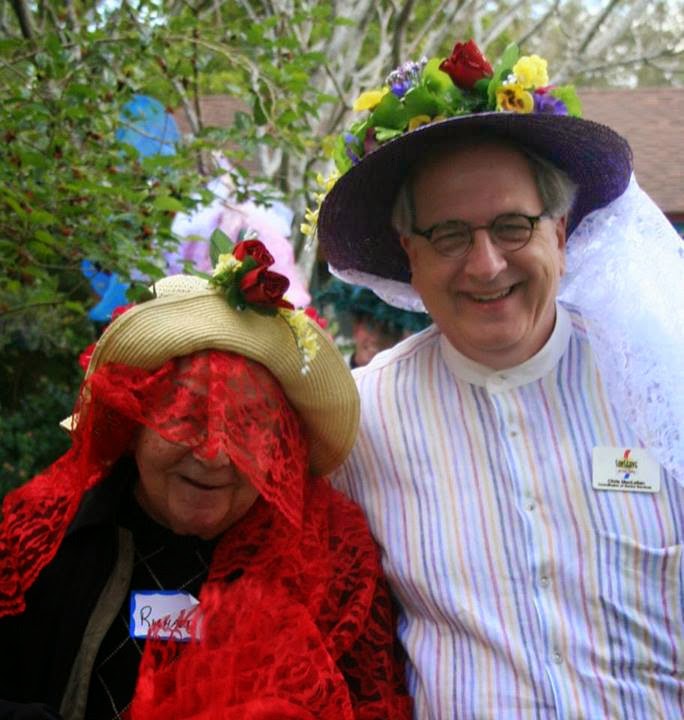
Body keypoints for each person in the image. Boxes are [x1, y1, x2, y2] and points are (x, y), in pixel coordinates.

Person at [315, 38, 684, 718]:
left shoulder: (660, 380)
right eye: (450, 235)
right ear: (411, 255)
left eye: (513, 226)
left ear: (560, 234)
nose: (486, 265)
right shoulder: (358, 419)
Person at [0, 237, 412, 720]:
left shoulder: (331, 561)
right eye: (187, 413)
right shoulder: (47, 543)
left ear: (282, 449)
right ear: (136, 419)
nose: (215, 454)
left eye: (247, 423)